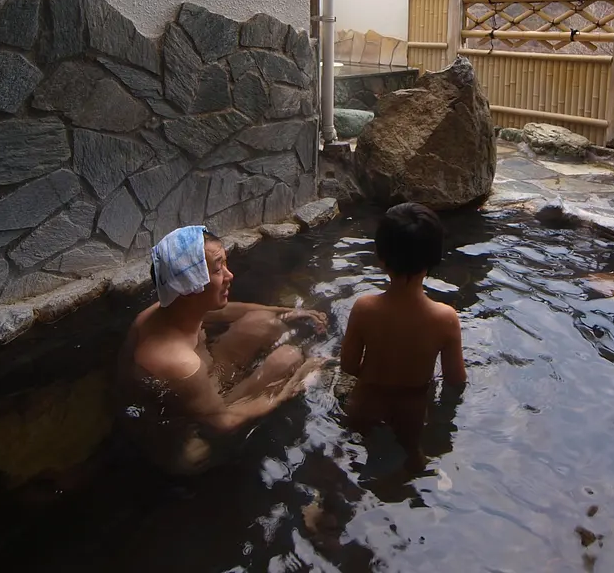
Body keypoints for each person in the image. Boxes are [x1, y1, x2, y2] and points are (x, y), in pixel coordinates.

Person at [116, 226, 327, 474]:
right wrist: (293, 385)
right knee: (288, 358)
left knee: (263, 323)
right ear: (191, 286)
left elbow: (223, 310)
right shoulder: (179, 363)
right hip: (189, 426)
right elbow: (224, 422)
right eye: (218, 269)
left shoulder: (167, 308)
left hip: (204, 382)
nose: (230, 275)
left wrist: (284, 311)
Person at [340, 203, 467, 471]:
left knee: (353, 457)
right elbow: (456, 381)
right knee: (413, 461)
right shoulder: (445, 319)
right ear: (434, 258)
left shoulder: (364, 308)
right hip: (413, 411)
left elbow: (348, 367)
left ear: (380, 256)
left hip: (366, 405)